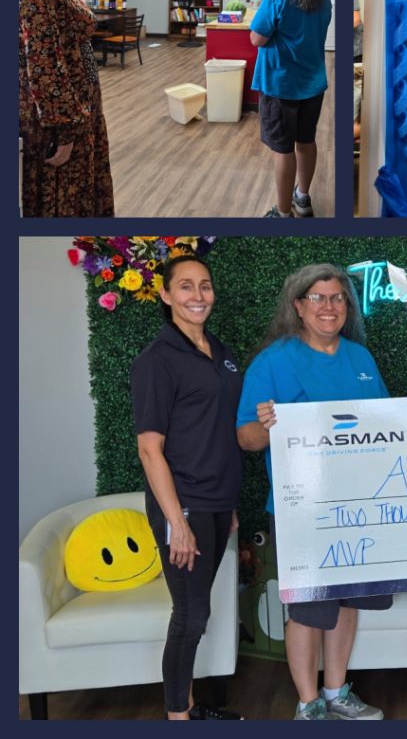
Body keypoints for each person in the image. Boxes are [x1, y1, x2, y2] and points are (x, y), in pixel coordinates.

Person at [236, 264, 390, 721]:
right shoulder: (273, 361)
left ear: (348, 306)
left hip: (357, 507)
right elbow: (245, 438)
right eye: (318, 298)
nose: (329, 307)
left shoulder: (361, 359)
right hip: (299, 509)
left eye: (338, 298)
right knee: (306, 608)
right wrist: (266, 428)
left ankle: (337, 692)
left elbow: (387, 425)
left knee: (345, 602)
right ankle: (308, 704)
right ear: (298, 306)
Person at [131, 255, 244, 720]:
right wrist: (177, 523)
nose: (197, 296)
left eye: (204, 286)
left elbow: (222, 428)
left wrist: (231, 505)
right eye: (185, 287)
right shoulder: (156, 361)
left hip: (219, 504)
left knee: (199, 613)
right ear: (165, 294)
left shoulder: (222, 352)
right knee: (191, 618)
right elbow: (149, 450)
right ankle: (178, 717)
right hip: (187, 507)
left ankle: (191, 707)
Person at [19, 0, 114, 217]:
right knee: (65, 200)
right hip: (60, 121)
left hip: (44, 112)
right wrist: (65, 132)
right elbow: (45, 66)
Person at [249, 0, 333, 218]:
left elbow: (257, 38)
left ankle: (283, 214)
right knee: (306, 141)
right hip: (312, 85)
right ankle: (302, 198)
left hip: (281, 85)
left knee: (283, 150)